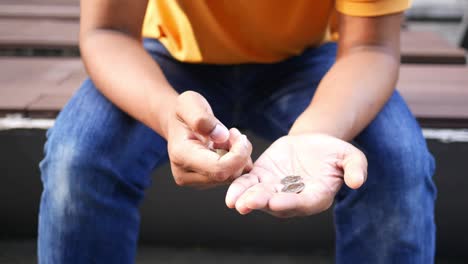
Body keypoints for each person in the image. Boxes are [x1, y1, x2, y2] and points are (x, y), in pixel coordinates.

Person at [37, 0, 436, 263]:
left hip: (308, 58)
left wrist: (312, 131)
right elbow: (108, 31)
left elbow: (372, 47)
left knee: (396, 163)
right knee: (78, 158)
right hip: (172, 54)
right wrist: (166, 115)